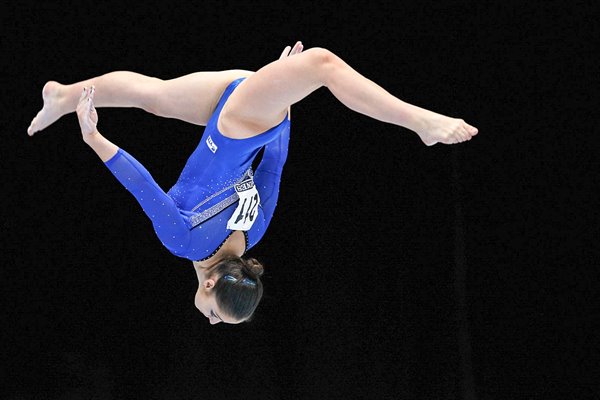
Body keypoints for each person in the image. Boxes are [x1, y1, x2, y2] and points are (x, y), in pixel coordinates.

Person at [27, 42, 478, 325]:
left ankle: (64, 95)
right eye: (216, 319)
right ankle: (421, 122)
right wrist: (93, 137)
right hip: (240, 122)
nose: (210, 322)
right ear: (208, 288)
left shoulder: (256, 230)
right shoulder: (182, 242)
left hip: (243, 119)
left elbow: (274, 166)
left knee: (154, 97)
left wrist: (281, 102)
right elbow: (140, 185)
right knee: (322, 64)